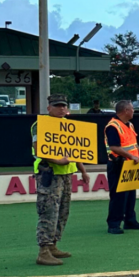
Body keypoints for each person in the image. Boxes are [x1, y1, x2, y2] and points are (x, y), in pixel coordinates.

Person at [32, 94, 90, 266]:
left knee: (63, 211)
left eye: (64, 105)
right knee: (48, 211)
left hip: (66, 174)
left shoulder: (69, 125)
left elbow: (76, 150)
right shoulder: (40, 125)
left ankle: (53, 244)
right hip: (49, 173)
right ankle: (43, 250)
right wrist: (58, 161)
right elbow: (39, 149)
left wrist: (83, 171)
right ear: (49, 108)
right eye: (57, 106)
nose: (61, 108)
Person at [105, 100, 139, 234]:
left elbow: (134, 143)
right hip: (118, 164)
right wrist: (132, 156)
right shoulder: (113, 126)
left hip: (130, 164)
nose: (134, 111)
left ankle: (130, 220)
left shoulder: (130, 124)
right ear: (125, 111)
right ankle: (114, 224)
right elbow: (114, 147)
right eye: (132, 109)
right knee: (118, 196)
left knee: (130, 195)